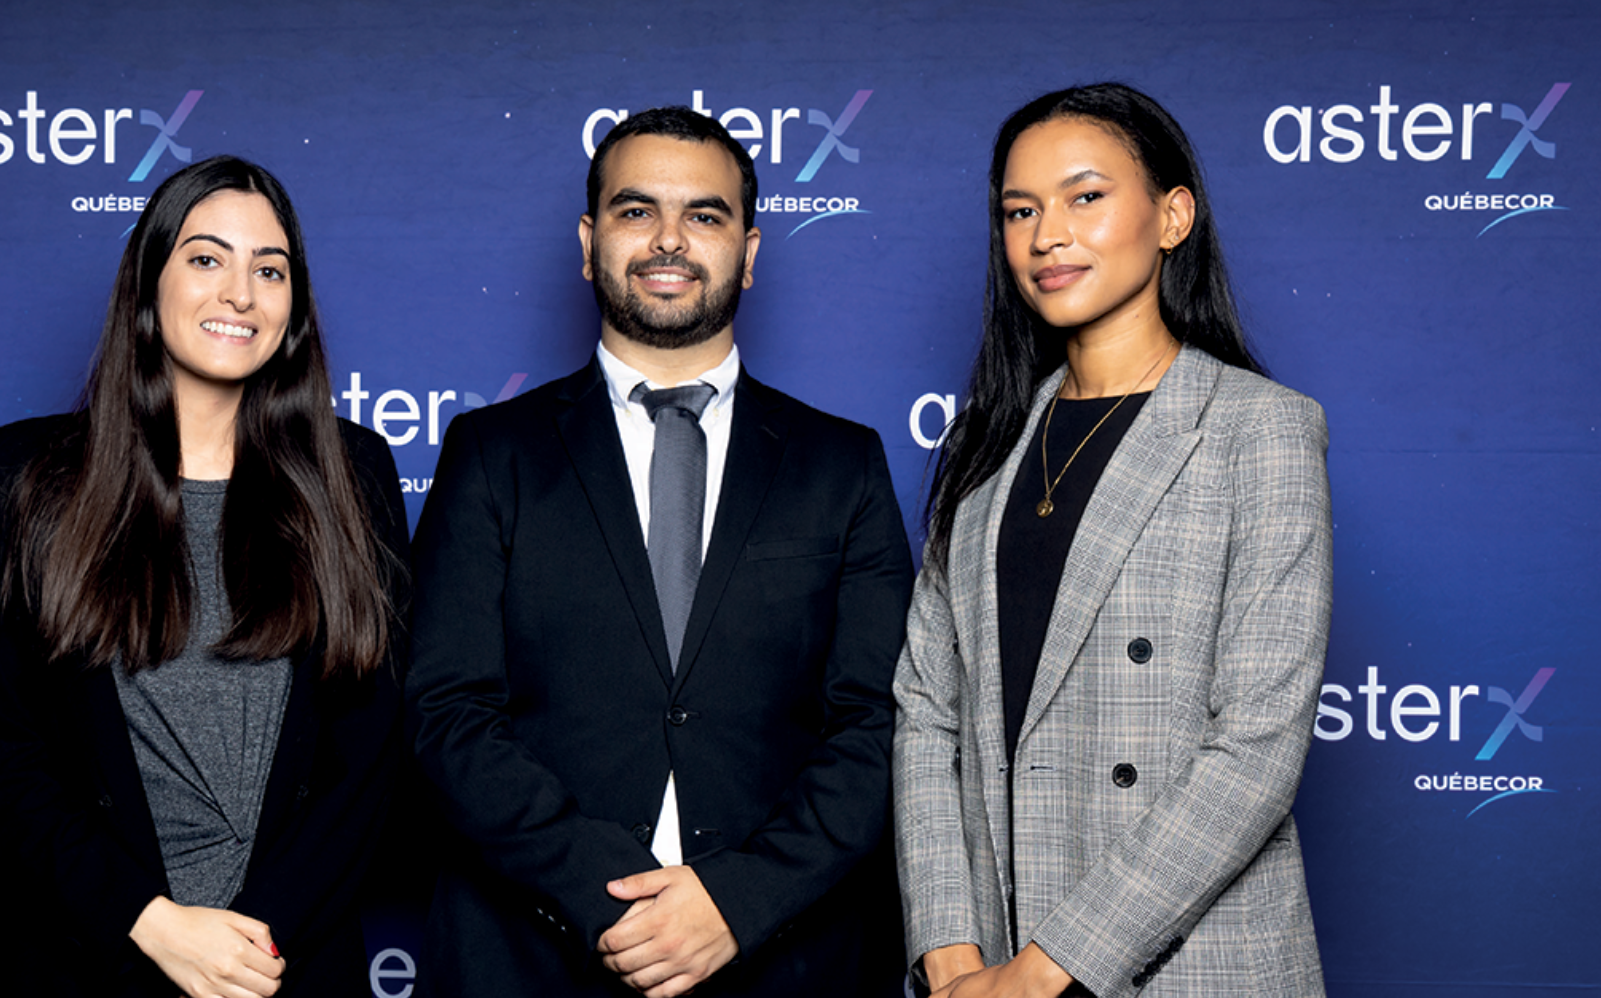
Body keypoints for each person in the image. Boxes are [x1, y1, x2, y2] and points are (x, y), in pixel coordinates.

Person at [408, 106, 914, 997]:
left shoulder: (842, 464)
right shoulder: (492, 453)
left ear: (750, 253)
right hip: (533, 955)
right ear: (588, 239)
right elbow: (447, 711)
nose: (668, 240)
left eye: (705, 215)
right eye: (636, 211)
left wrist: (733, 901)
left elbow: (879, 723)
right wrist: (615, 900)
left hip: (782, 956)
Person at [893, 83, 1331, 997]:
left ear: (1172, 216)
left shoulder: (1258, 429)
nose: (1046, 234)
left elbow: (1254, 747)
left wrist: (1047, 970)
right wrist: (950, 951)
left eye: (1084, 197)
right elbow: (929, 711)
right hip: (986, 957)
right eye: (1020, 210)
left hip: (1183, 963)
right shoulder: (986, 439)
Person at [0, 155, 408, 998]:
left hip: (289, 966)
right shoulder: (20, 476)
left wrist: (252, 948)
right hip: (95, 957)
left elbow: (369, 752)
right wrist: (150, 924)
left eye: (270, 270)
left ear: (293, 307)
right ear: (146, 284)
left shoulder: (354, 473)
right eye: (206, 258)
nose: (240, 293)